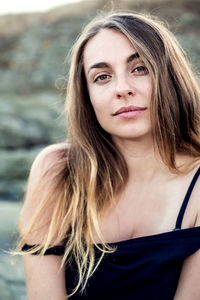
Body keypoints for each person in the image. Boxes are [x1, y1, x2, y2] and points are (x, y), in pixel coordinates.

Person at [16, 11, 200, 300]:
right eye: (102, 77)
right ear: (86, 96)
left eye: (140, 68)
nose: (122, 89)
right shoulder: (58, 172)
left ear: (170, 77)